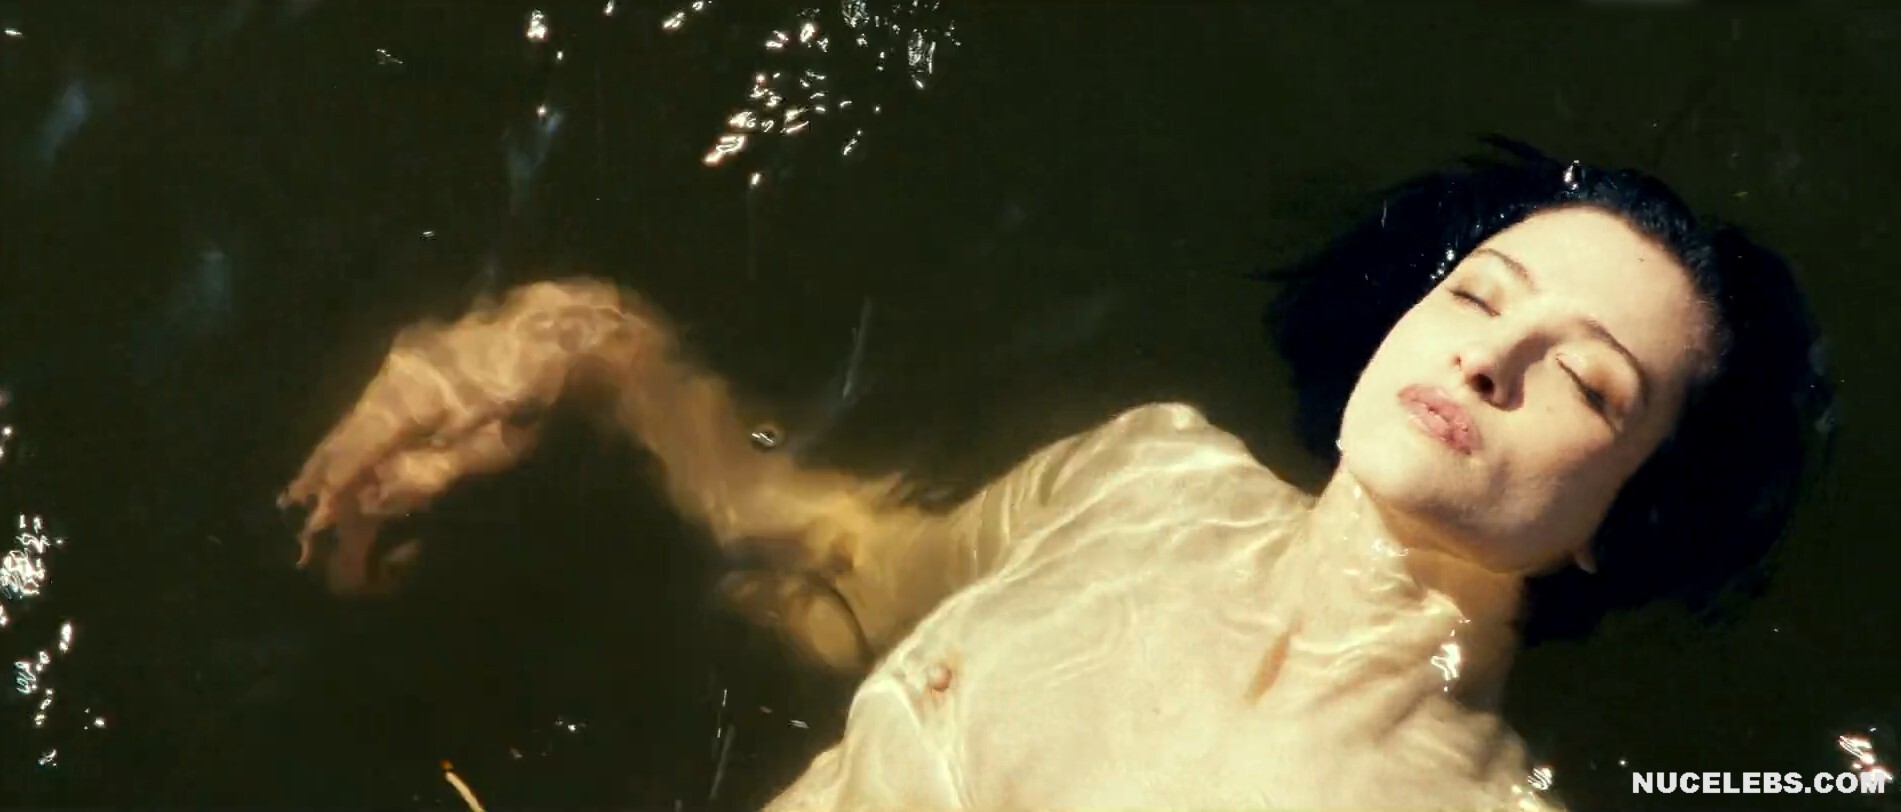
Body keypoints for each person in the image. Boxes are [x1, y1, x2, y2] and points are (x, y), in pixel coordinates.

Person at [277, 139, 1834, 810]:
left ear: (1627, 518)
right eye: (1480, 294)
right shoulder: (1140, 479)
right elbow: (827, 576)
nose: (1491, 353)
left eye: (1584, 380)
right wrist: (595, 350)